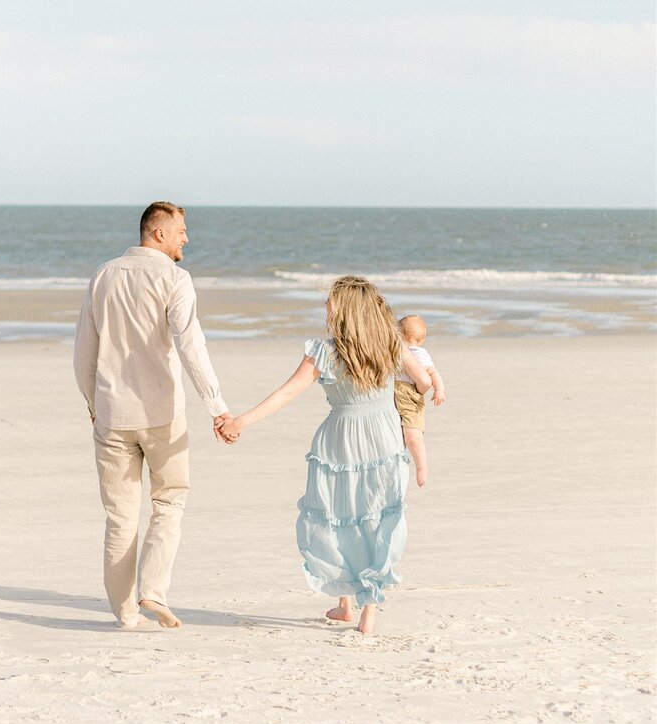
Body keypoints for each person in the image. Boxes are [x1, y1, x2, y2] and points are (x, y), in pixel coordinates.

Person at [218, 275, 430, 635]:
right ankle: (366, 612)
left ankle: (345, 603)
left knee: (337, 516)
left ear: (345, 310)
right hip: (383, 436)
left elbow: (285, 394)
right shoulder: (391, 343)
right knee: (375, 516)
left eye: (329, 301)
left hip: (340, 439)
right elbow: (422, 382)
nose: (325, 307)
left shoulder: (324, 352)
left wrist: (241, 421)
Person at [74, 201, 232, 630]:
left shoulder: (103, 275)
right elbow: (190, 346)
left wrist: (93, 404)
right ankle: (152, 591)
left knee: (120, 517)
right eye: (181, 229)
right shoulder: (174, 278)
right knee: (169, 502)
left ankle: (125, 614)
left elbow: (84, 353)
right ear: (158, 232)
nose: (187, 237)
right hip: (163, 414)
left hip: (111, 414)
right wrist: (216, 406)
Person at [394, 314, 445, 488]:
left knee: (413, 437)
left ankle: (421, 467)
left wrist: (439, 389)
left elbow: (432, 373)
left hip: (410, 398)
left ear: (399, 333)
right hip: (392, 394)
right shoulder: (393, 349)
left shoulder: (420, 354)